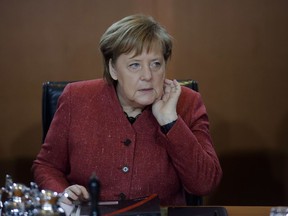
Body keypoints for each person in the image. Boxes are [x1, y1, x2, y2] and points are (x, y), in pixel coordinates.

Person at [32, 14, 222, 206]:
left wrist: (170, 121)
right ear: (113, 69)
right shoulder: (76, 98)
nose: (147, 75)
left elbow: (204, 184)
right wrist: (63, 193)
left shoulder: (187, 102)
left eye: (156, 64)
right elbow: (46, 166)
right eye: (134, 65)